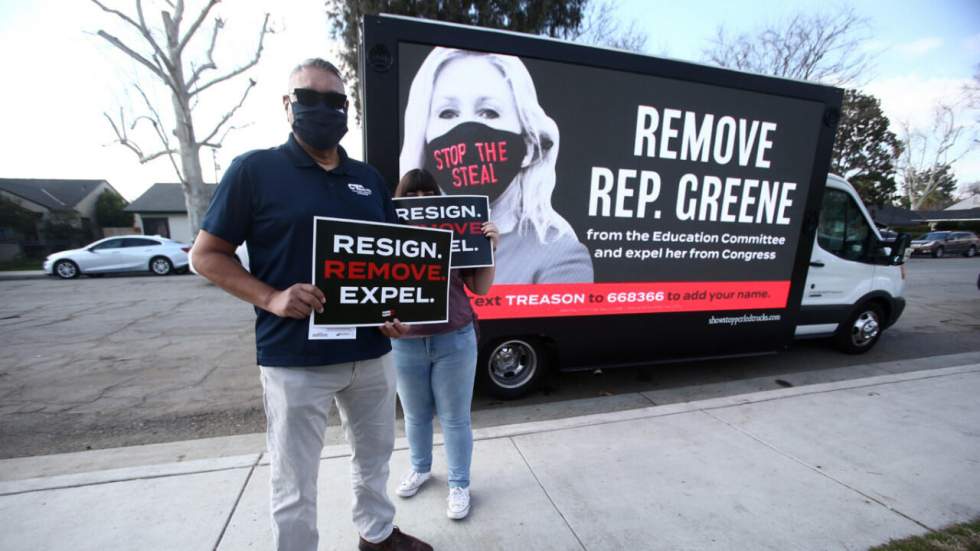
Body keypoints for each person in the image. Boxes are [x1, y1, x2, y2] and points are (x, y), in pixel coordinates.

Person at [191, 58, 431, 551]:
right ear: (287, 105)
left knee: (375, 456)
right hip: (295, 359)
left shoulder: (367, 178)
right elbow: (206, 256)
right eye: (309, 98)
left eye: (335, 101)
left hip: (370, 354)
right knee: (294, 476)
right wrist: (271, 297)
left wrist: (394, 309)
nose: (323, 110)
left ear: (347, 110)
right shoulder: (254, 170)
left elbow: (387, 258)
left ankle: (377, 534)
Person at [399, 47, 594, 284]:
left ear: (529, 147)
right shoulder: (408, 245)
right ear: (424, 138)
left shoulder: (560, 256)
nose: (467, 130)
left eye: (489, 112)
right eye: (448, 113)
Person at [390, 169, 498, 520]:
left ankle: (459, 484)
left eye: (428, 193)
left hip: (455, 337)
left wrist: (490, 248)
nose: (421, 200)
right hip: (405, 342)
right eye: (412, 194)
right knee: (416, 415)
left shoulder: (457, 232)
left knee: (455, 419)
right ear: (401, 199)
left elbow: (479, 288)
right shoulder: (386, 234)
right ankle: (420, 468)